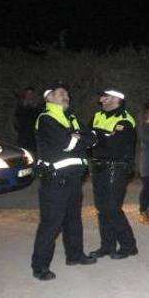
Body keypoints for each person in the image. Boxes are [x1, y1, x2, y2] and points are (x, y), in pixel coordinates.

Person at [30, 83, 97, 281]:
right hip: (55, 180)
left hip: (74, 178)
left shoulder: (71, 117)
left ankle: (75, 256)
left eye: (67, 93)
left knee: (73, 219)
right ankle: (40, 267)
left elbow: (91, 138)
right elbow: (65, 143)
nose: (66, 96)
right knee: (51, 224)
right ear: (49, 98)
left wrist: (78, 137)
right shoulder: (46, 119)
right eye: (61, 93)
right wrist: (78, 138)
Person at [88, 88, 139, 260]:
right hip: (99, 166)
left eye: (106, 97)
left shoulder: (125, 120)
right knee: (102, 208)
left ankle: (128, 245)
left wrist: (98, 136)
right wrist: (103, 136)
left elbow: (114, 145)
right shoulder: (97, 116)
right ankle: (107, 245)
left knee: (112, 207)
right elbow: (88, 138)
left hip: (116, 167)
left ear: (116, 99)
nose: (102, 99)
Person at [14, 87, 41, 151]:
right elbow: (16, 118)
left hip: (34, 135)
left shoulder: (38, 107)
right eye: (28, 94)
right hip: (23, 134)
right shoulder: (20, 106)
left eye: (31, 94)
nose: (29, 96)